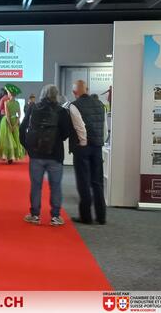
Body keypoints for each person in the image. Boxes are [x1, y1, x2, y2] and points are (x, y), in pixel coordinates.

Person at [20, 84, 70, 226]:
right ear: (56, 95)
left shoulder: (33, 108)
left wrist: (27, 146)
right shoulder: (61, 111)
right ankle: (55, 216)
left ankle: (35, 215)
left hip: (36, 155)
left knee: (36, 186)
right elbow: (66, 133)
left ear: (42, 94)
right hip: (55, 155)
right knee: (56, 186)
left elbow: (23, 127)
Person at [69, 80, 108, 225]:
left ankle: (86, 216)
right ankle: (101, 216)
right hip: (97, 146)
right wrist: (100, 141)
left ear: (75, 92)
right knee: (97, 182)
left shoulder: (74, 105)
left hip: (83, 148)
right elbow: (104, 128)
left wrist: (83, 143)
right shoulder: (100, 104)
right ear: (87, 89)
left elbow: (80, 127)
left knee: (83, 182)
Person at [0, 84, 26, 164]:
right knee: (15, 138)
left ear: (10, 94)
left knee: (7, 138)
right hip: (15, 120)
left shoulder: (6, 102)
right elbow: (19, 115)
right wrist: (15, 124)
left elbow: (7, 115)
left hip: (7, 122)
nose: (8, 94)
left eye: (9, 93)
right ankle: (12, 156)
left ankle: (8, 156)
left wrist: (10, 125)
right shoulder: (17, 103)